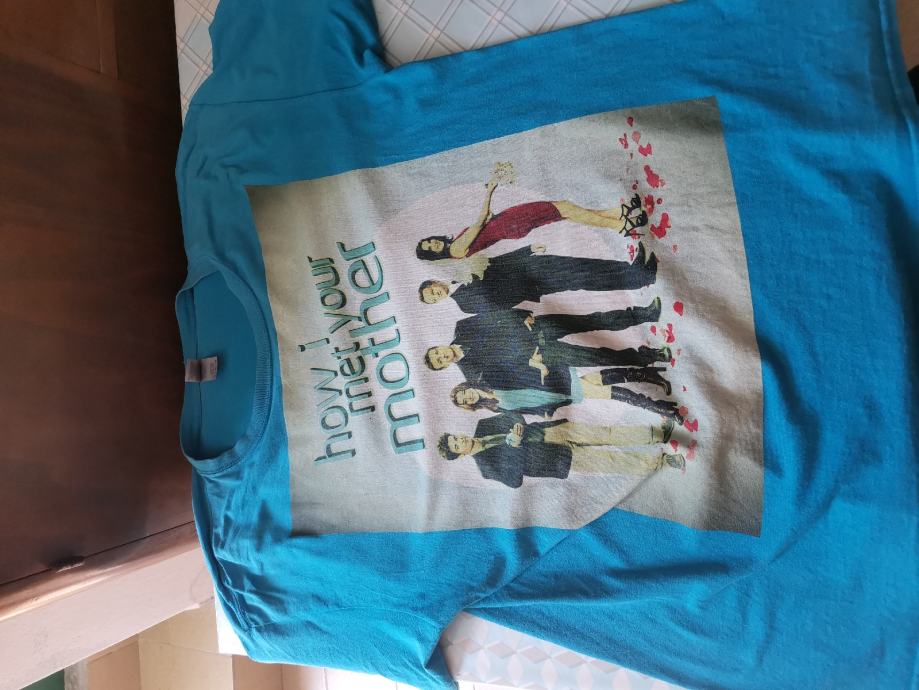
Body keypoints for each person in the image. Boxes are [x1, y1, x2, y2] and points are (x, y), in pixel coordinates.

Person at [424, 306, 670, 392]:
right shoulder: (472, 374)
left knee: (589, 321)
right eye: (440, 361)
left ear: (439, 346)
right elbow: (509, 377)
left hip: (534, 327)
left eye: (437, 353)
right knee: (593, 356)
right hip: (541, 354)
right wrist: (534, 364)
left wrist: (522, 315)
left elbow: (493, 316)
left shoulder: (462, 327)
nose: (442, 356)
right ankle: (648, 357)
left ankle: (644, 314)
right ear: (444, 367)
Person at [415, 178, 648, 261]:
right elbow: (480, 221)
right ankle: (620, 225)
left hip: (507, 223)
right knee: (564, 209)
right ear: (435, 254)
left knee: (565, 209)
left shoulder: (454, 246)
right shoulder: (455, 249)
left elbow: (482, 228)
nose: (433, 244)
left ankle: (620, 212)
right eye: (431, 248)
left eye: (430, 241)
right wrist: (490, 191)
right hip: (509, 224)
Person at [437, 413, 684, 489]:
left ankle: (658, 434)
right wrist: (514, 446)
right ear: (460, 455)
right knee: (610, 460)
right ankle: (664, 461)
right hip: (555, 461)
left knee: (606, 433)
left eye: (456, 437)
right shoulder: (486, 468)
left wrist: (516, 427)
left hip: (553, 432)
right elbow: (514, 481)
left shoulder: (483, 425)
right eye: (457, 445)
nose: (461, 440)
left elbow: (513, 415)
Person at [419, 242, 658, 314]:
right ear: (438, 301)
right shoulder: (464, 304)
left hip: (528, 264)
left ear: (435, 282)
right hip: (532, 282)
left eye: (432, 291)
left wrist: (528, 250)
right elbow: (500, 303)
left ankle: (631, 269)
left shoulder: (459, 272)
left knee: (581, 264)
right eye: (433, 298)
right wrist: (524, 288)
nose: (436, 294)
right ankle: (637, 280)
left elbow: (494, 262)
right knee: (582, 278)